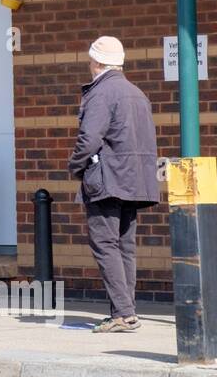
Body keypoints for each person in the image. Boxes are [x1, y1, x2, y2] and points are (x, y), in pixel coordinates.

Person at [66, 36, 158, 333]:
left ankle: (123, 313)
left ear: (97, 63)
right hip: (135, 180)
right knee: (125, 247)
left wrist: (75, 165)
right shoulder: (137, 93)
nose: (89, 66)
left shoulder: (101, 93)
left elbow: (89, 139)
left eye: (91, 61)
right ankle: (126, 310)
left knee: (105, 245)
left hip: (107, 180)